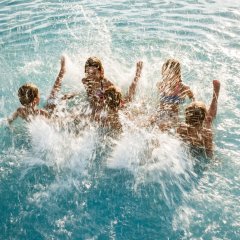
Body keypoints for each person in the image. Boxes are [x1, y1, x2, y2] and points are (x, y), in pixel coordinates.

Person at [7, 56, 66, 124]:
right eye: (39, 94)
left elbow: (9, 121)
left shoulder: (20, 111)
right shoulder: (40, 113)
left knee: (54, 95)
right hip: (50, 112)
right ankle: (62, 70)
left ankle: (62, 71)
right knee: (54, 94)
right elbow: (55, 122)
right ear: (36, 100)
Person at [176, 80, 220, 158]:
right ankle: (215, 96)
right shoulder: (206, 134)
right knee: (209, 118)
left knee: (207, 119)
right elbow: (209, 152)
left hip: (196, 123)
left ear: (186, 117)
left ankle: (214, 95)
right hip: (202, 126)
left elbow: (177, 144)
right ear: (204, 118)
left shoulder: (181, 128)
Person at [154, 59, 195, 127]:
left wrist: (191, 112)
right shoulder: (161, 85)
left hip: (173, 117)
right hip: (159, 113)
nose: (165, 76)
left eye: (168, 73)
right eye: (164, 73)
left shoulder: (183, 88)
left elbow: (193, 99)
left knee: (163, 126)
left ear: (177, 74)